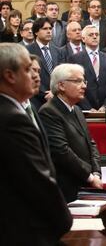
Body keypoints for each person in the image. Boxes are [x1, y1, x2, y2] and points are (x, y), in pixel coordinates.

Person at [0, 43, 72, 245]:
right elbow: (38, 182)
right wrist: (64, 223)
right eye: (26, 69)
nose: (34, 75)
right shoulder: (12, 118)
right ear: (10, 76)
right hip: (24, 229)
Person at [39, 63, 102, 202]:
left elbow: (90, 143)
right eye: (77, 81)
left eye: (83, 81)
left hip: (83, 183)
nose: (84, 86)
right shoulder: (49, 111)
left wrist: (96, 172)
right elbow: (61, 151)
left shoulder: (77, 110)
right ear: (61, 85)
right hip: (66, 188)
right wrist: (90, 177)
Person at [67, 25, 106, 111]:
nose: (94, 37)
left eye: (97, 34)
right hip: (84, 110)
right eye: (91, 35)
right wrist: (88, 108)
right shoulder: (75, 59)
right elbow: (73, 86)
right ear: (83, 39)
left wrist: (105, 105)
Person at [27, 17, 65, 109]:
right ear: (36, 32)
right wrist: (45, 94)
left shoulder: (58, 51)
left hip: (56, 99)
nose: (49, 31)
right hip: (36, 100)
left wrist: (54, 92)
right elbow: (28, 75)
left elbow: (62, 74)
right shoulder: (27, 51)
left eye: (50, 28)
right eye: (44, 29)